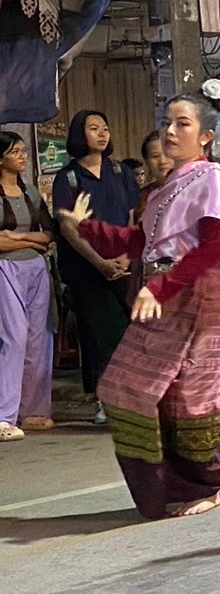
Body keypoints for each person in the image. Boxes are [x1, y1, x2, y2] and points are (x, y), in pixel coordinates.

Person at [55, 93, 220, 518]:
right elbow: (140, 243)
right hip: (166, 293)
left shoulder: (211, 180)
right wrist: (85, 228)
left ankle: (208, 484)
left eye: (182, 123)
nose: (170, 131)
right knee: (125, 387)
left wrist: (161, 287)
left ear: (206, 136)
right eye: (167, 122)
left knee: (192, 396)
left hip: (200, 293)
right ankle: (165, 487)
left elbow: (216, 246)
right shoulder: (170, 187)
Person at [51, 110, 137, 423]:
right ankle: (105, 401)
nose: (102, 133)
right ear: (79, 134)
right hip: (86, 268)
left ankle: (127, 398)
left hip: (122, 265)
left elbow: (130, 219)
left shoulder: (120, 172)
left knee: (129, 331)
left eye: (105, 128)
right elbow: (68, 228)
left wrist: (126, 256)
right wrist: (100, 262)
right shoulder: (68, 178)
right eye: (93, 128)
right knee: (101, 333)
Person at [0, 131, 56, 440]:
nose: (23, 156)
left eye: (24, 150)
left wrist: (19, 237)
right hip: (5, 268)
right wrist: (30, 242)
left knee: (39, 337)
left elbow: (49, 233)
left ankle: (33, 410)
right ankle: (3, 415)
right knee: (14, 337)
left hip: (35, 268)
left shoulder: (30, 192)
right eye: (15, 152)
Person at [135, 132, 174, 224]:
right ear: (147, 161)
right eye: (155, 156)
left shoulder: (193, 189)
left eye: (167, 154)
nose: (163, 161)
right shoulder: (141, 197)